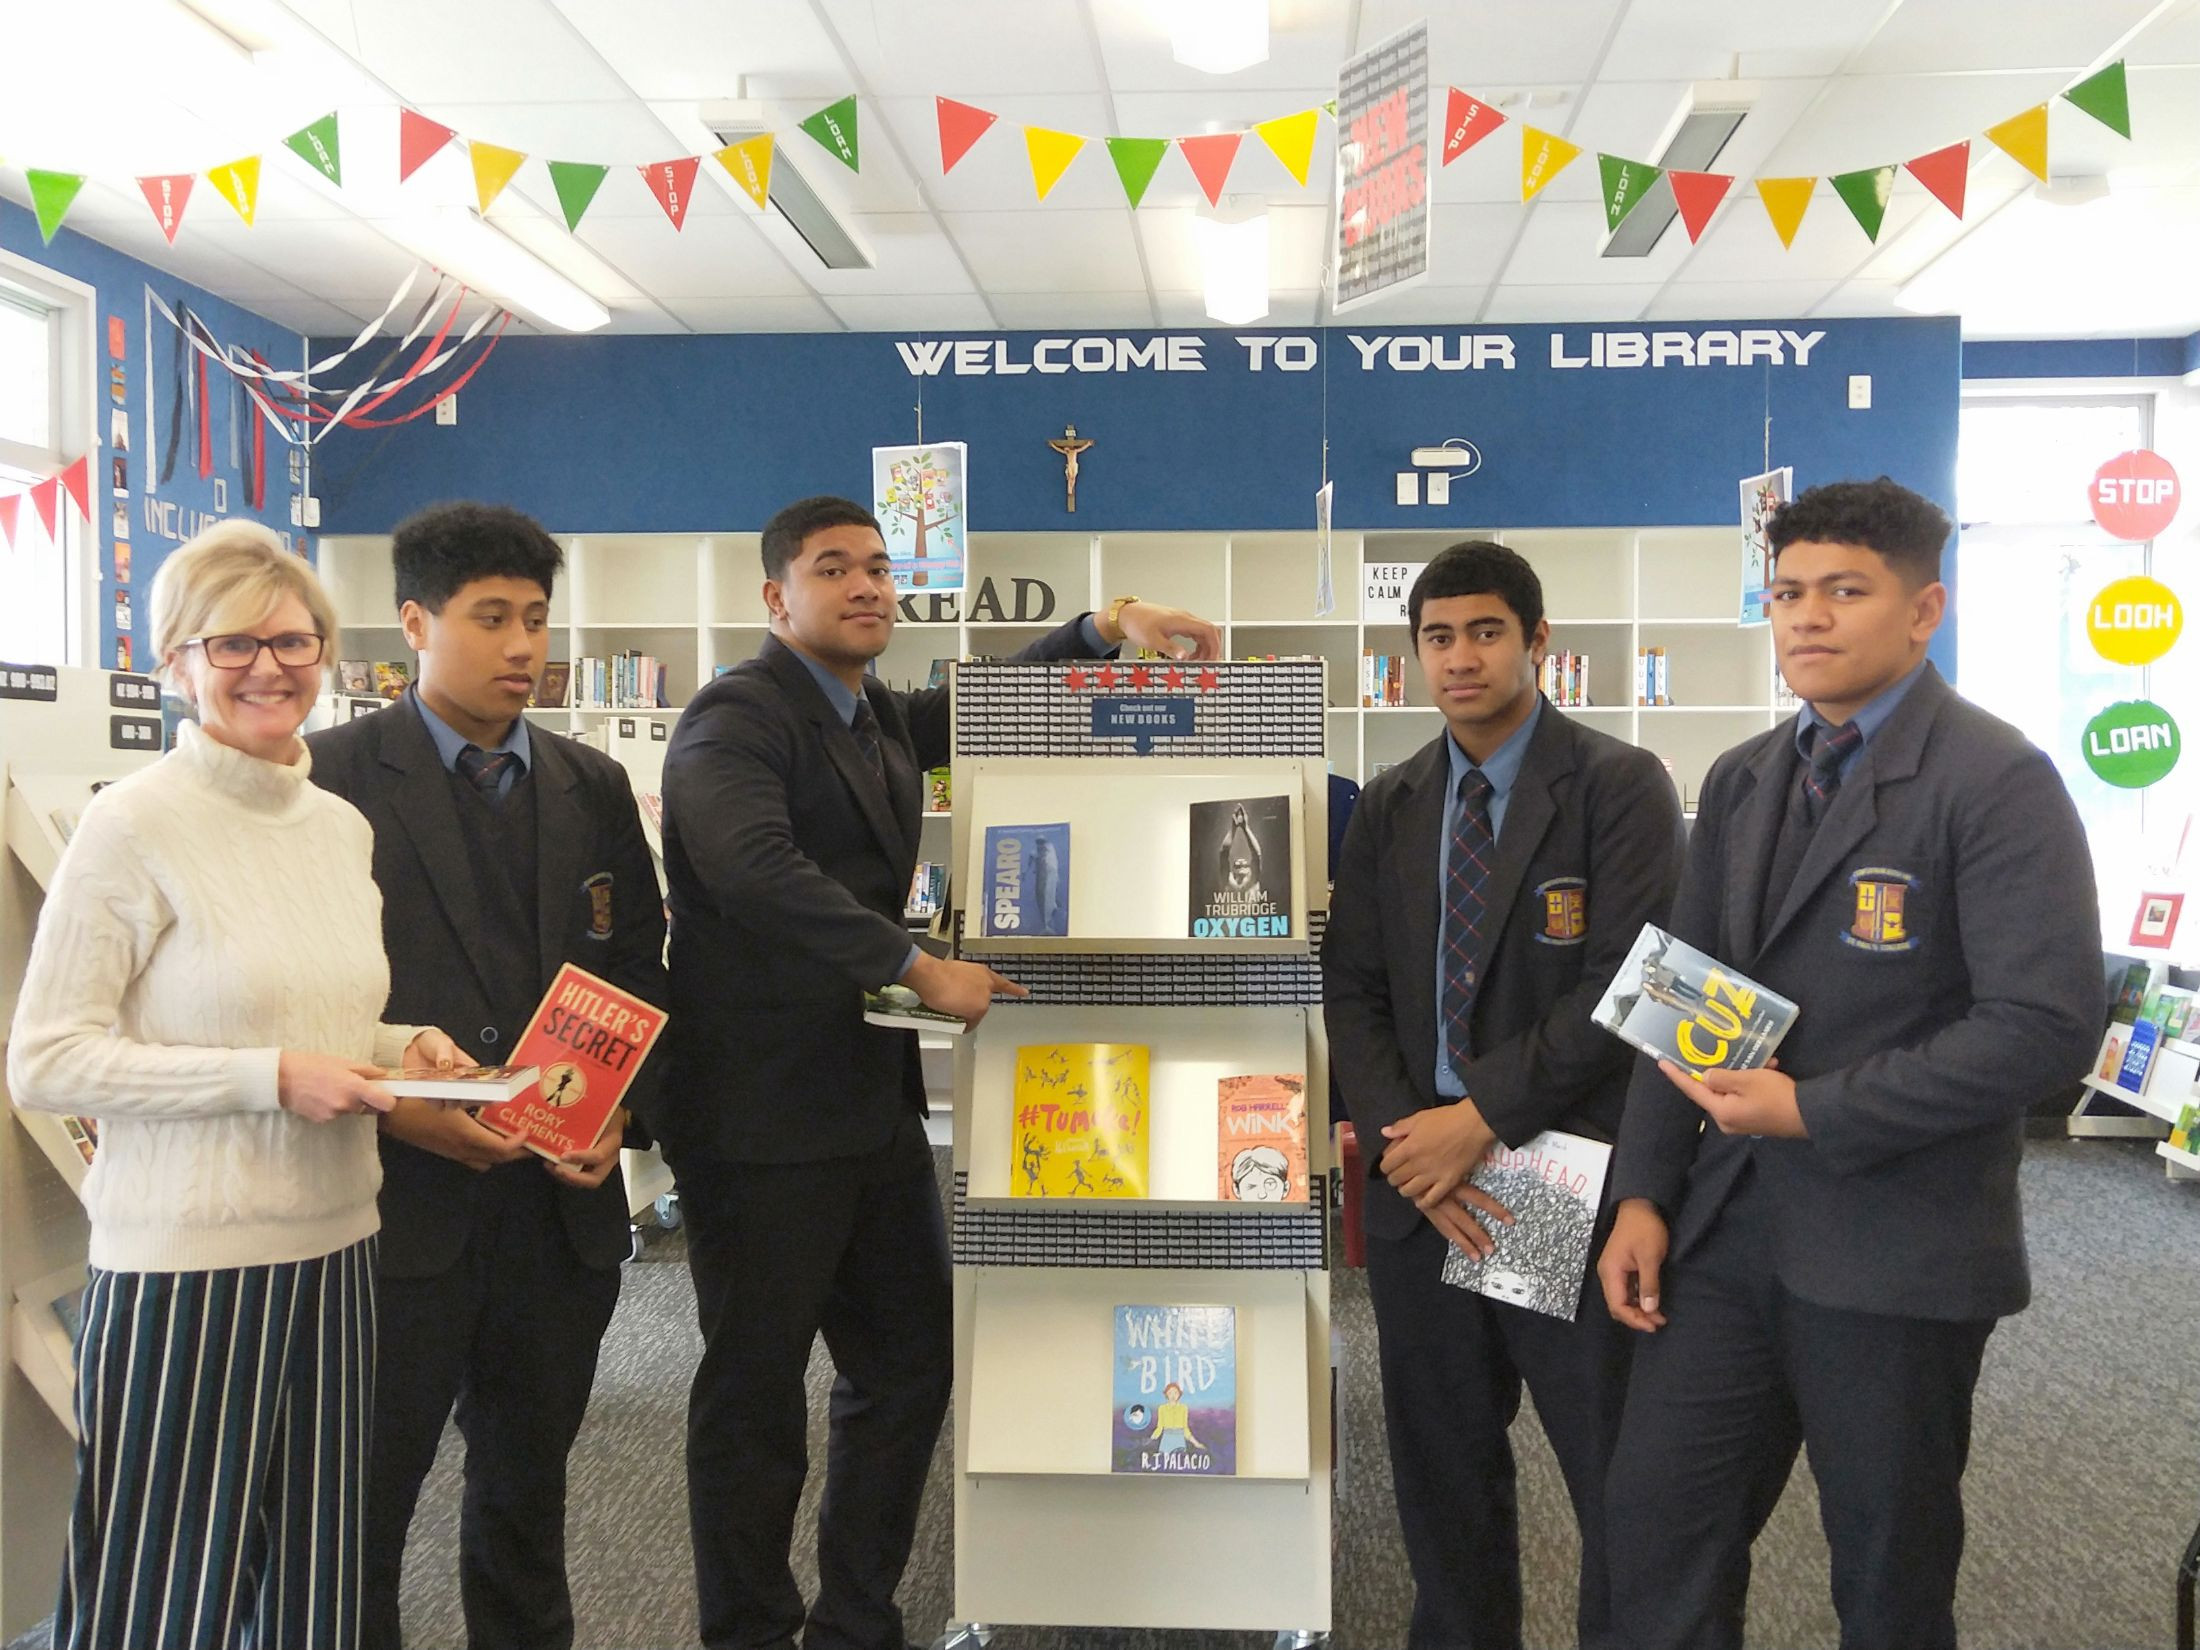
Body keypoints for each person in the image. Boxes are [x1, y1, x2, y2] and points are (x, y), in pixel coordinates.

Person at [656, 494, 1221, 1650]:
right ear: (777, 597)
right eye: (833, 569)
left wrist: (1109, 627)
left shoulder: (867, 714)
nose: (866, 586)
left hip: (866, 1109)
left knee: (909, 1367)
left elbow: (981, 700)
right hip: (758, 1120)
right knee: (757, 1399)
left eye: (876, 567)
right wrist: (918, 965)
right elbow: (747, 863)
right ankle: (750, 1630)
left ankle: (856, 1620)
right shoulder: (737, 715)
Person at [1595, 478, 2105, 1650]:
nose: (1806, 619)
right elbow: (1678, 1002)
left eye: (1842, 592)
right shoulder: (1741, 777)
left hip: (1896, 1249)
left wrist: (1810, 1110)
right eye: (1785, 594)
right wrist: (1638, 1195)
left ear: (1924, 611)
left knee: (1884, 1571)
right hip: (1721, 1241)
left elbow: (2041, 1027)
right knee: (1655, 1531)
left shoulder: (1996, 780)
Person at [7, 521, 462, 1650]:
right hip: (188, 1270)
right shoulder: (133, 822)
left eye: (295, 640)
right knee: (156, 1597)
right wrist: (268, 1079)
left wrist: (405, 1048)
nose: (270, 665)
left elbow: (320, 1026)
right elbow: (47, 1059)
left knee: (316, 1585)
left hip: (339, 1245)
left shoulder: (338, 828)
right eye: (232, 644)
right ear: (176, 663)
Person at [307, 503, 667, 1650]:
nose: (524, 647)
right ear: (415, 621)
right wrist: (405, 1109)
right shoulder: (327, 781)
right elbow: (300, 997)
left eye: (537, 620)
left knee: (526, 1498)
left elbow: (637, 968)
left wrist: (620, 1115)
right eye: (491, 618)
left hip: (556, 1212)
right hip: (391, 1210)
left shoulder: (590, 784)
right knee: (361, 1512)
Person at [1322, 541, 1684, 1650]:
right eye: (1437, 637)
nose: (1460, 657)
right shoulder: (1390, 802)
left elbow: (1623, 988)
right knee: (1442, 1467)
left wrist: (1473, 1122)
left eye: (1485, 632)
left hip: (1554, 1174)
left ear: (1537, 643)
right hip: (1421, 1187)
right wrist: (1406, 1142)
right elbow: (1352, 983)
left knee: (1604, 1464)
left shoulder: (1618, 786)